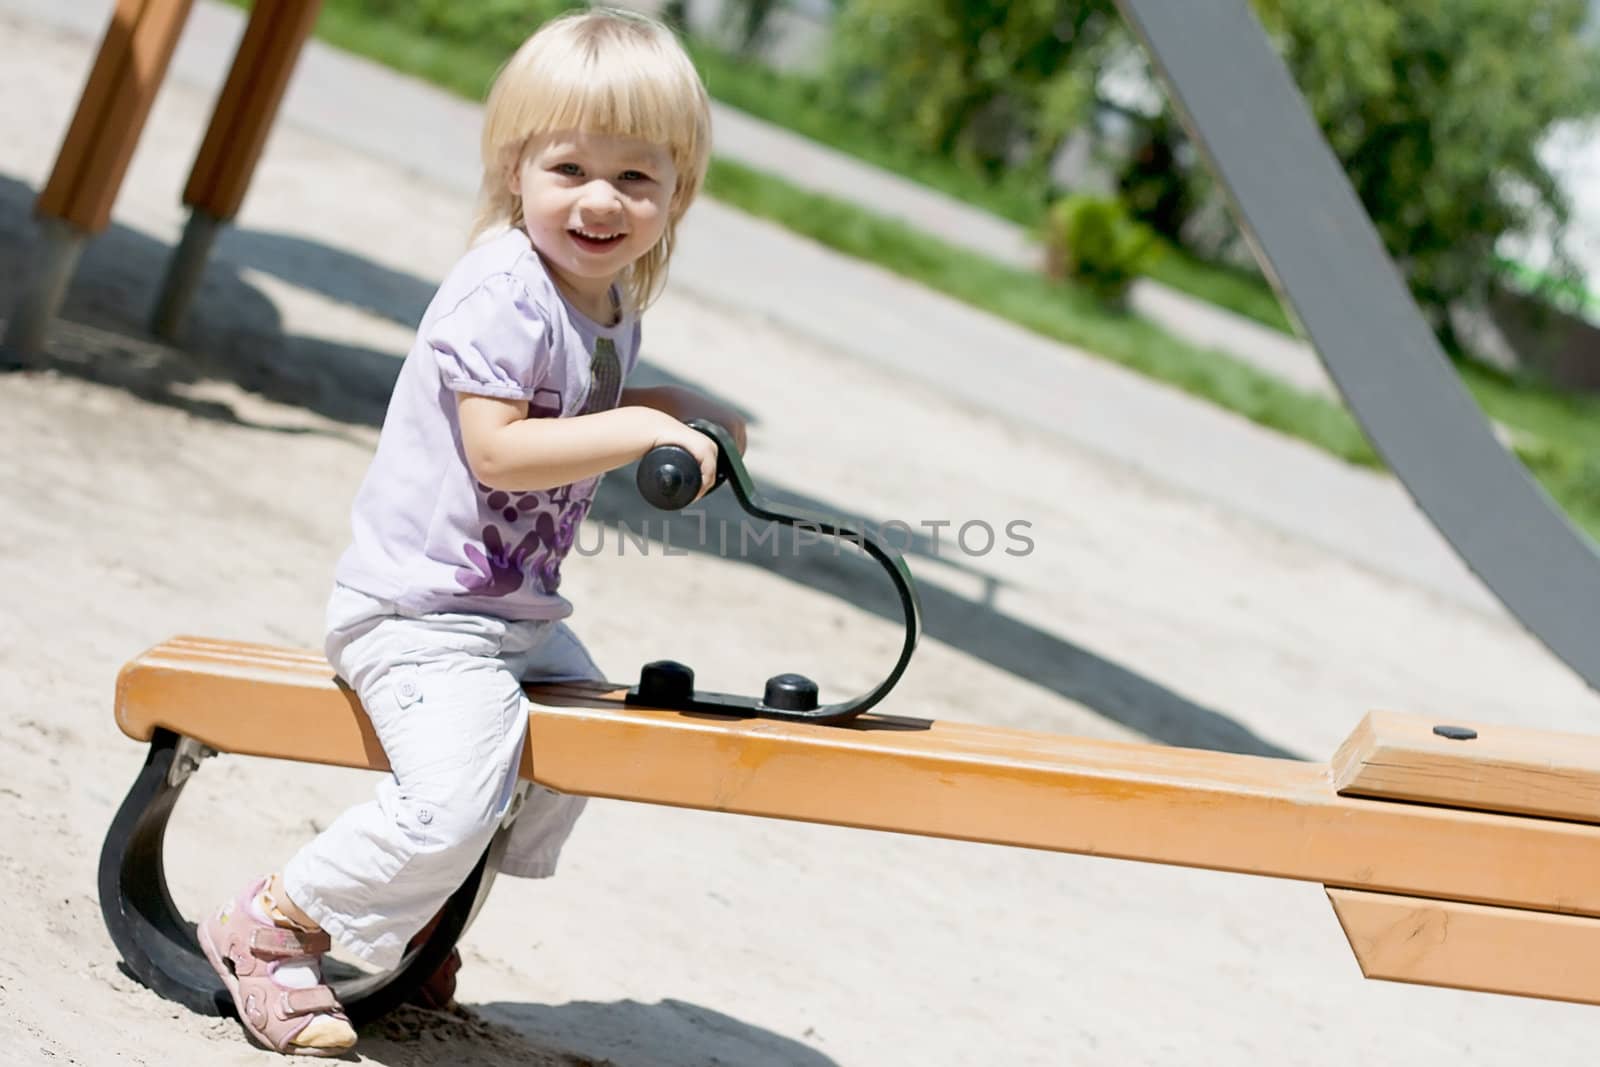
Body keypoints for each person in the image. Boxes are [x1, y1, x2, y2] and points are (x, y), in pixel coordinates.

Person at [196, 9, 743, 1055]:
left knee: (583, 748)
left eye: (637, 178)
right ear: (513, 165)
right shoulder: (503, 291)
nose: (601, 199)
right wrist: (633, 428)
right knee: (454, 794)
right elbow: (498, 449)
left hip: (512, 618)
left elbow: (592, 399)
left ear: (678, 192)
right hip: (419, 612)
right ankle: (271, 926)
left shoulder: (606, 299)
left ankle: (420, 918)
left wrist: (671, 402)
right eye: (571, 165)